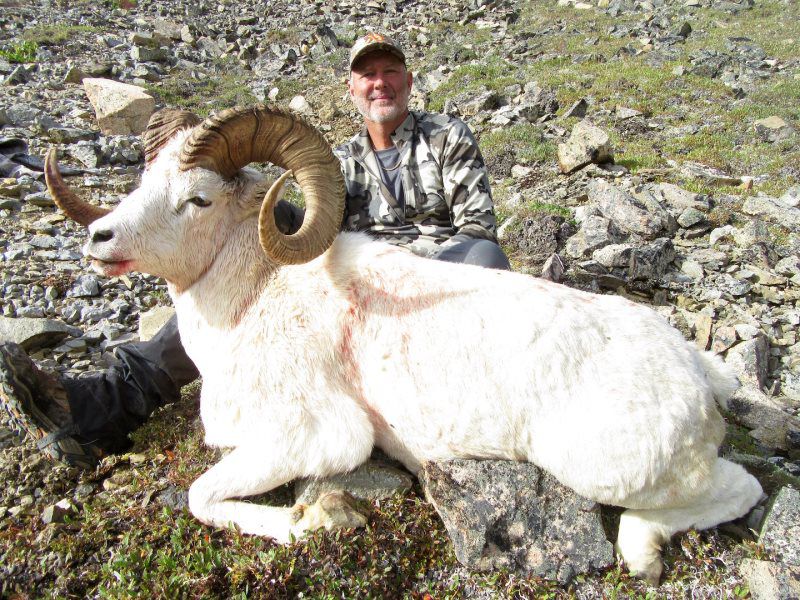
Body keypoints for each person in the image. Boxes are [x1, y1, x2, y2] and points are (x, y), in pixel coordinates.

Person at [0, 33, 509, 469]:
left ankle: (472, 396)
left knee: (489, 261)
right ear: (353, 89)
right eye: (368, 75)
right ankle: (113, 400)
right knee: (259, 223)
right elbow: (321, 225)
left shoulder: (447, 137)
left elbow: (478, 230)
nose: (381, 83)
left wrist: (399, 266)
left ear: (408, 81)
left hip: (431, 276)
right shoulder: (342, 159)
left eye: (390, 71)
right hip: (357, 281)